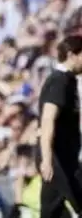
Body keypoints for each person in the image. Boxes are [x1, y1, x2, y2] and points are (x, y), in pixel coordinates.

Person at [38, 35, 82, 218]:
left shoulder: (69, 80)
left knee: (52, 208)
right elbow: (48, 120)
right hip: (58, 158)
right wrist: (47, 159)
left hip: (65, 155)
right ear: (72, 55)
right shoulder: (59, 81)